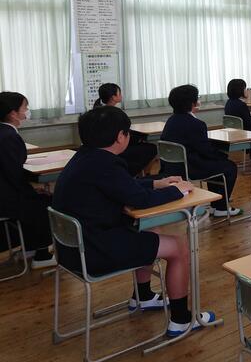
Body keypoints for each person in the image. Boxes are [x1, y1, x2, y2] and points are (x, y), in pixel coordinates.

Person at [52, 106, 215, 336]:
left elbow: (122, 186)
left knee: (152, 228)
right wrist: (178, 191)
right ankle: (181, 320)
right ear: (121, 136)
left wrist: (157, 183)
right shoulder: (106, 164)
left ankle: (143, 296)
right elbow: (141, 200)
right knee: (179, 246)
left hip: (71, 251)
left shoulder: (86, 157)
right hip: (94, 252)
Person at [160, 84, 240, 217]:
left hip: (173, 167)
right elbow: (206, 151)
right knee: (229, 167)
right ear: (192, 103)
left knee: (217, 164)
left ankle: (216, 204)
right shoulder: (196, 124)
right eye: (197, 98)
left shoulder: (171, 121)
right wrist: (222, 155)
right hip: (191, 168)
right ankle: (221, 207)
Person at [0, 92, 55, 269]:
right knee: (45, 202)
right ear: (13, 113)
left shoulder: (4, 132)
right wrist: (35, 188)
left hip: (6, 192)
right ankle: (42, 254)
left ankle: (30, 247)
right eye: (25, 107)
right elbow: (14, 175)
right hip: (6, 198)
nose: (27, 111)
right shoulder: (9, 136)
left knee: (37, 196)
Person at [94, 83, 158, 177]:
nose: (121, 95)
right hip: (113, 148)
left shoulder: (98, 111)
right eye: (119, 93)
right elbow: (121, 134)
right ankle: (134, 175)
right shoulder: (114, 113)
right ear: (113, 97)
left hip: (103, 148)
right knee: (151, 148)